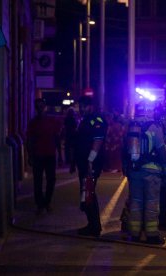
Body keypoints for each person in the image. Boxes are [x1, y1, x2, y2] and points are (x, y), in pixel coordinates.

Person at [122, 104, 166, 244]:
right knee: (151, 203)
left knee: (135, 203)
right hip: (152, 172)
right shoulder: (155, 127)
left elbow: (124, 149)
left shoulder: (130, 127)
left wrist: (126, 168)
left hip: (134, 170)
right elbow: (162, 151)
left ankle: (134, 234)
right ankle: (152, 235)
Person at [71, 96, 107, 237]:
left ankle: (94, 227)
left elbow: (97, 141)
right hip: (84, 163)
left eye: (84, 106)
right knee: (86, 193)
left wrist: (91, 160)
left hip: (91, 164)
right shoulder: (84, 120)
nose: (81, 109)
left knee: (89, 192)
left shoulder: (96, 120)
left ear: (91, 106)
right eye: (80, 106)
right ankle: (92, 224)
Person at [26, 98, 62, 215]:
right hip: (38, 155)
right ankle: (40, 204)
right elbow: (30, 140)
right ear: (36, 108)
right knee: (38, 181)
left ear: (45, 107)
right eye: (38, 106)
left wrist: (60, 154)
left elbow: (56, 138)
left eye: (42, 106)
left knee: (51, 179)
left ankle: (47, 202)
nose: (40, 108)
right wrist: (30, 155)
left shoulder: (52, 121)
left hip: (50, 154)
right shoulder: (33, 123)